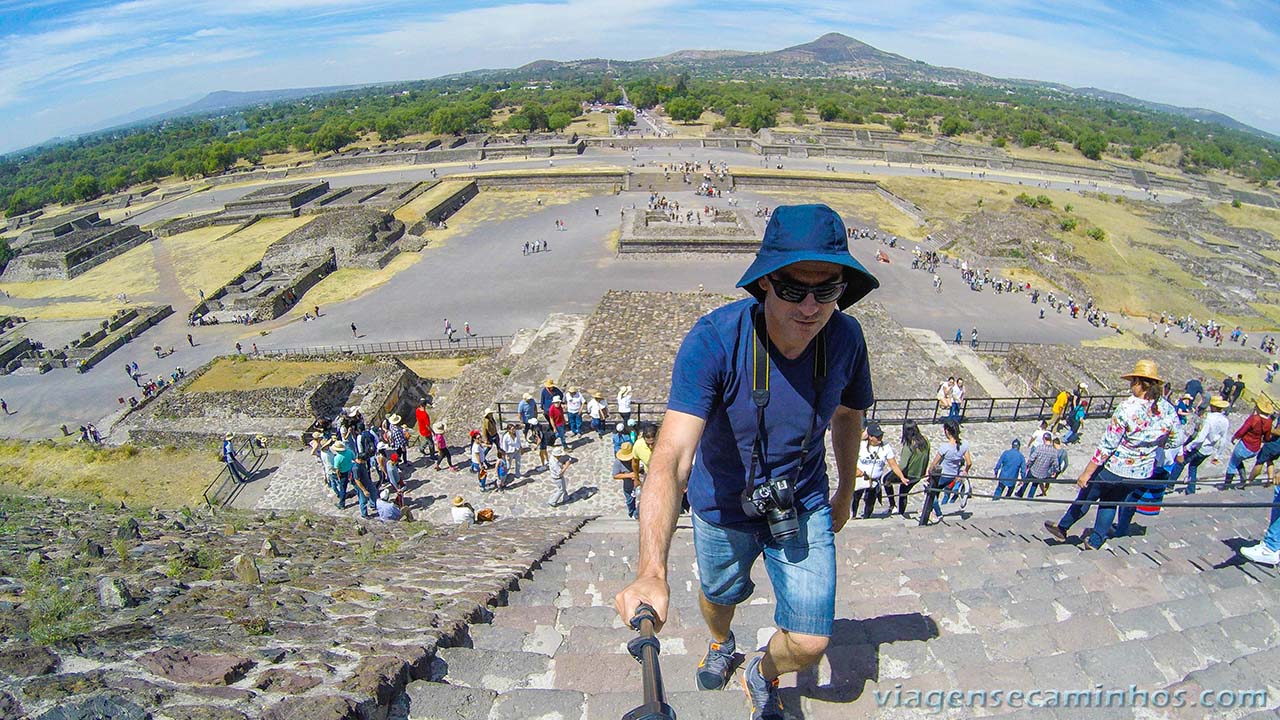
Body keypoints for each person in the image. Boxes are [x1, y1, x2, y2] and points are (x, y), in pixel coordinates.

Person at [612, 203, 879, 720]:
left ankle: (762, 671)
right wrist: (651, 571)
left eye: (827, 290)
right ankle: (719, 643)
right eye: (793, 289)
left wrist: (846, 490)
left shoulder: (847, 339)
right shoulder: (714, 341)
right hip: (721, 503)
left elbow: (849, 415)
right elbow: (670, 455)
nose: (810, 307)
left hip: (802, 500)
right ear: (763, 285)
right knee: (719, 593)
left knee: (809, 641)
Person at [1044, 360, 1180, 550]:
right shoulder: (1167, 409)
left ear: (1140, 383)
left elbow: (1107, 446)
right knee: (1110, 502)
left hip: (1115, 467)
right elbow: (1176, 441)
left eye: (1133, 381)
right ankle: (1095, 540)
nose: (1131, 385)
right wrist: (1154, 443)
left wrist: (1086, 473)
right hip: (1140, 472)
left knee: (1087, 496)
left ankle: (1063, 527)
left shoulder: (1127, 408)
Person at [1168, 396, 1230, 494]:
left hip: (1199, 447)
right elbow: (1223, 440)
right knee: (1193, 467)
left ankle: (1170, 484)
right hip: (1209, 450)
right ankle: (1191, 489)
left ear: (1212, 406)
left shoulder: (1209, 418)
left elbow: (1201, 438)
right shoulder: (1225, 421)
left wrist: (1189, 446)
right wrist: (1217, 455)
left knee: (1181, 463)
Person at [921, 419, 972, 524]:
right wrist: (964, 472)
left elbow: (934, 464)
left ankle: (938, 514)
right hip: (952, 476)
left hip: (942, 475)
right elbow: (969, 462)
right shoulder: (964, 444)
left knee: (931, 494)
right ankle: (930, 511)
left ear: (947, 431)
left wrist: (929, 474)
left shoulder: (945, 447)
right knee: (936, 492)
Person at [853, 423, 905, 518]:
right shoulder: (861, 445)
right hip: (861, 478)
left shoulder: (885, 447)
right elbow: (849, 457)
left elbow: (893, 464)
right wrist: (856, 470)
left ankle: (866, 517)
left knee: (870, 502)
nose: (880, 438)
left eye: (881, 435)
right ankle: (853, 515)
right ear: (870, 437)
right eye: (877, 436)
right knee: (855, 498)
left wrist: (902, 477)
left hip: (874, 480)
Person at [1223, 395, 1275, 489]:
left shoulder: (1254, 418)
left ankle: (1226, 486)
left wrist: (1235, 437)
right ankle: (1243, 480)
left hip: (1244, 445)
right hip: (1255, 448)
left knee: (1232, 464)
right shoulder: (1269, 422)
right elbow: (1267, 437)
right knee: (1238, 461)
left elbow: (1243, 430)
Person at [894, 420, 930, 517]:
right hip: (919, 474)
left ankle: (897, 510)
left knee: (890, 483)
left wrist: (894, 470)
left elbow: (903, 465)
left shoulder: (909, 445)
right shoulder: (925, 440)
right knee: (904, 492)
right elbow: (927, 457)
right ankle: (899, 510)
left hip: (909, 474)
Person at [1017, 433, 1058, 499]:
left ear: (1044, 439)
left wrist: (1027, 465)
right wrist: (1054, 471)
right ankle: (1029, 497)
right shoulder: (1054, 451)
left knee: (1026, 482)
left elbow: (1032, 458)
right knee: (1034, 485)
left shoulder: (1040, 448)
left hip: (1034, 469)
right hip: (1042, 473)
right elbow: (1055, 464)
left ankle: (1019, 494)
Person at [614, 441, 642, 519]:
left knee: (641, 501)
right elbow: (615, 475)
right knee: (630, 501)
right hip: (628, 486)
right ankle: (632, 513)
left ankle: (637, 514)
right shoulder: (618, 462)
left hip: (640, 484)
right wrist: (629, 475)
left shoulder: (638, 456)